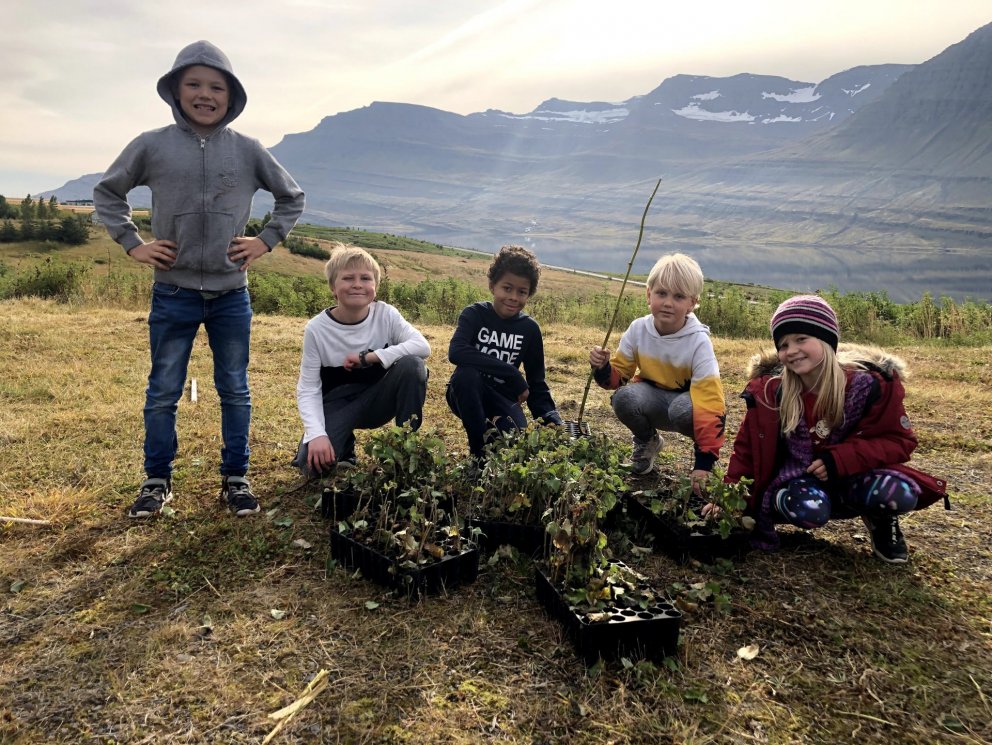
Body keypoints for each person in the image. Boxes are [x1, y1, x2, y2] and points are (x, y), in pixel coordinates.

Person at [93, 40, 305, 518]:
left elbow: (292, 197)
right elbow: (108, 192)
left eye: (216, 87)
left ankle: (236, 479)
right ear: (175, 90)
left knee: (235, 388)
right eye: (194, 84)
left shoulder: (249, 150)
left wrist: (265, 240)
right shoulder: (152, 145)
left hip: (232, 294)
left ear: (232, 96)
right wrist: (133, 243)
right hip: (173, 291)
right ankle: (156, 480)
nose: (205, 94)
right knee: (164, 390)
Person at [718, 295, 947, 563]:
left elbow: (899, 441)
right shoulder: (772, 391)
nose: (791, 350)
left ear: (827, 340)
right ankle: (781, 506)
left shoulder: (870, 386)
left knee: (900, 493)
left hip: (856, 476)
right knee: (808, 510)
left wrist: (840, 460)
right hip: (800, 481)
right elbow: (746, 450)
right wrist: (728, 499)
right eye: (783, 344)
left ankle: (880, 518)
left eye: (801, 339)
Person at [589, 253, 725, 490]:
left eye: (679, 296)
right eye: (661, 293)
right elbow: (618, 378)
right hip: (653, 400)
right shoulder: (638, 329)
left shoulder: (699, 342)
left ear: (692, 303)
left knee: (682, 410)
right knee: (623, 398)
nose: (668, 303)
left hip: (687, 407)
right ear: (648, 294)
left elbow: (710, 402)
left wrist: (705, 462)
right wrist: (602, 367)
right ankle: (648, 441)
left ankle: (705, 458)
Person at [293, 245, 430, 477]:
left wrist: (368, 358)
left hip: (377, 399)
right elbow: (308, 388)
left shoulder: (386, 314)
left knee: (413, 365)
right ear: (333, 287)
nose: (357, 284)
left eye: (365, 278)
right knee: (312, 467)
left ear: (375, 287)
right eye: (348, 278)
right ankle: (343, 446)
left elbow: (422, 346)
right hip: (338, 403)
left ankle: (405, 451)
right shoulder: (316, 329)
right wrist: (316, 434)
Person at [447, 245, 562, 459]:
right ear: (492, 286)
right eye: (507, 288)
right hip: (465, 392)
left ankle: (490, 439)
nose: (513, 297)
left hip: (502, 398)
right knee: (466, 375)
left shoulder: (529, 329)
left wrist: (550, 418)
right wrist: (512, 373)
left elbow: (537, 383)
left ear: (529, 294)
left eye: (522, 292)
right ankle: (477, 454)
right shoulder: (474, 314)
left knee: (515, 444)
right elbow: (457, 351)